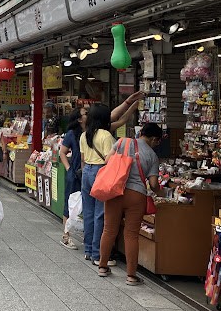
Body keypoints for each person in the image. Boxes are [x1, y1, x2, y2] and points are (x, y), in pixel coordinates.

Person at [98, 123, 163, 285]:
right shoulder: (152, 156)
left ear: (141, 132)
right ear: (154, 139)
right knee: (131, 234)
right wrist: (162, 193)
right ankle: (131, 276)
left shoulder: (122, 142)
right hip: (137, 195)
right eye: (158, 141)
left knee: (109, 230)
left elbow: (107, 160)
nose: (157, 144)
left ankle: (102, 266)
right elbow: (154, 184)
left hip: (115, 191)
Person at [79, 102, 115, 267]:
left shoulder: (85, 135)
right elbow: (109, 160)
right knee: (100, 213)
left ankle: (88, 250)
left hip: (87, 172)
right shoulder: (106, 136)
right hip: (100, 172)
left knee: (88, 212)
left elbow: (82, 160)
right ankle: (96, 254)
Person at [59, 106, 86, 250]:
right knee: (69, 202)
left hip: (86, 173)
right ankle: (66, 236)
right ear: (79, 119)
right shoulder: (71, 134)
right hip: (75, 173)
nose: (88, 114)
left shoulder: (91, 132)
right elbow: (62, 152)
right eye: (85, 113)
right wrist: (68, 168)